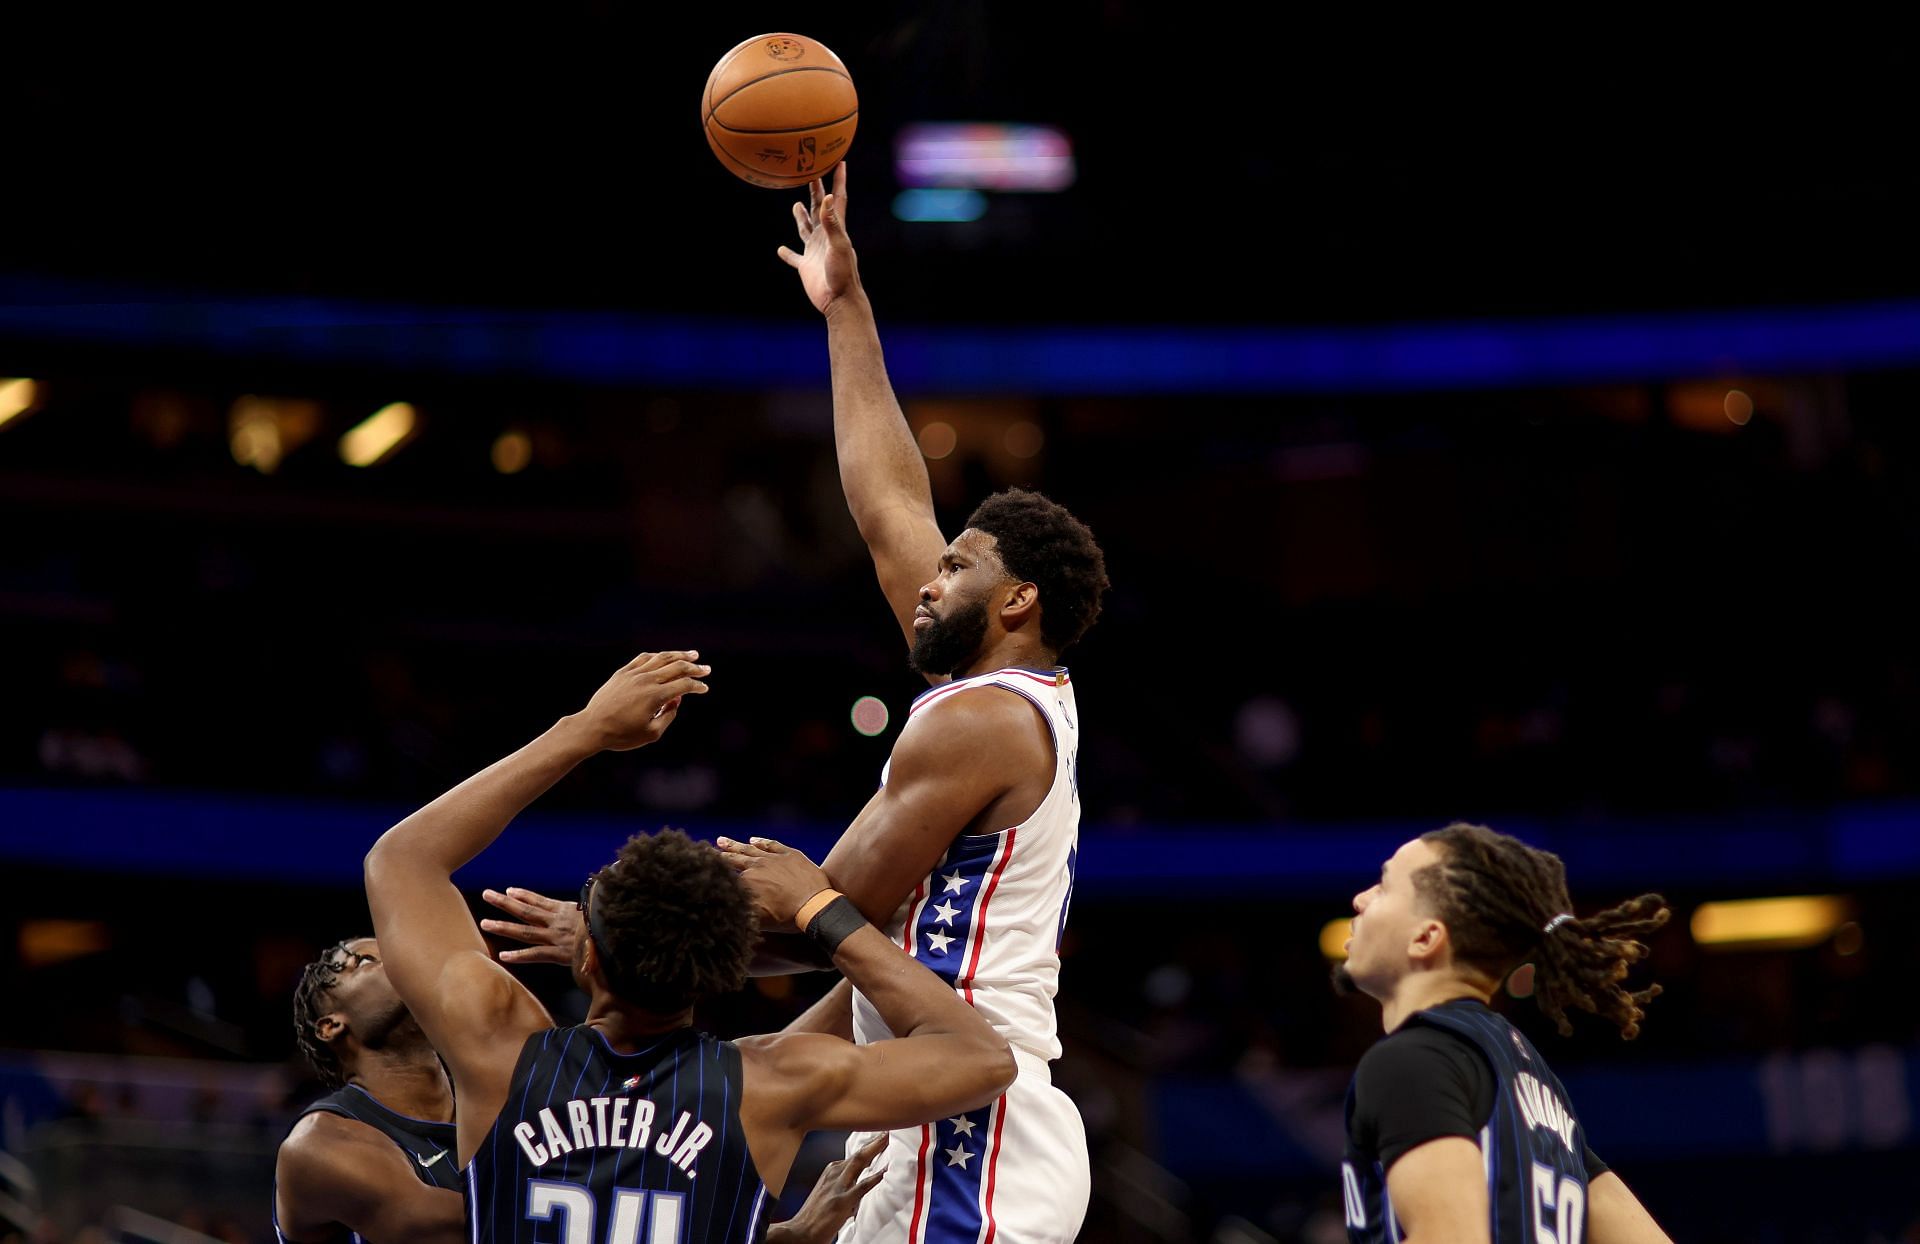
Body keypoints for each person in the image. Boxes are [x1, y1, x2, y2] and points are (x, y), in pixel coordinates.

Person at [362, 648, 1016, 1244]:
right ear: (721, 974)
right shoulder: (772, 1083)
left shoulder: (495, 1044)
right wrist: (821, 910)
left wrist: (586, 730)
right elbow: (985, 1059)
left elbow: (403, 861)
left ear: (585, 959)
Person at [764, 162, 1110, 1244]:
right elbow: (887, 501)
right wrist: (846, 302)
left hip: (975, 1123)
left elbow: (820, 914)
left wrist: (619, 939)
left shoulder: (981, 721)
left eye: (954, 566)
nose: (926, 575)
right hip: (932, 1108)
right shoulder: (996, 689)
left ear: (1016, 599)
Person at [274, 932, 887, 1243]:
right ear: (333, 1025)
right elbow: (532, 1225)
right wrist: (777, 1235)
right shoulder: (322, 1147)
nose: (398, 957)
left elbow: (738, 1085)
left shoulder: (512, 1089)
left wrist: (868, 963)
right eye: (364, 961)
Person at [1336, 822, 1676, 1243]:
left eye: (1384, 886)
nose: (1360, 898)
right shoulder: (1530, 1076)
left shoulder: (1410, 1063)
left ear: (1425, 937)